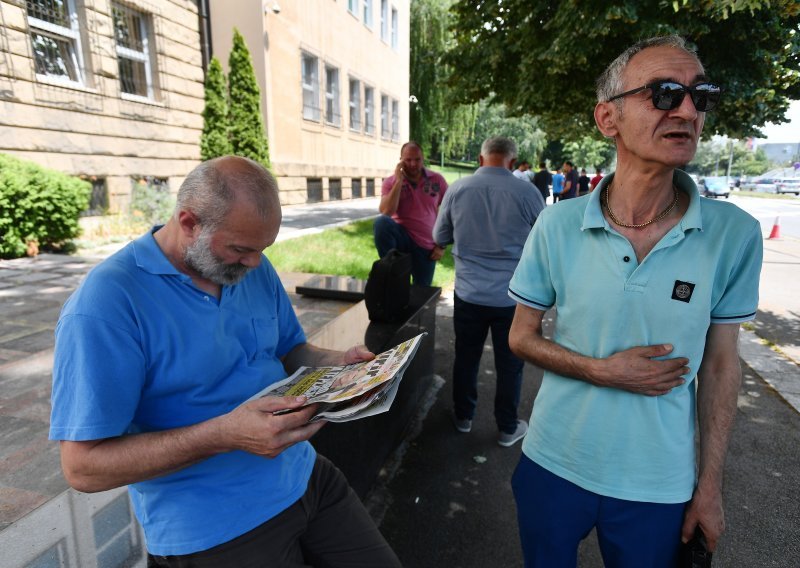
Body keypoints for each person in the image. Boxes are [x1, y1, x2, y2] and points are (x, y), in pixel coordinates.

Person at [50, 156, 402, 566]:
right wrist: (224, 435)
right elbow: (83, 468)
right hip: (212, 526)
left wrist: (342, 362)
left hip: (305, 476)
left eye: (262, 249)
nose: (254, 263)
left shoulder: (250, 267)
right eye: (240, 249)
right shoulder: (108, 303)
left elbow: (290, 350)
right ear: (188, 223)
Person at [507, 35, 762, 567]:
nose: (689, 110)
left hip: (659, 482)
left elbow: (720, 364)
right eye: (665, 93)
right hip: (554, 463)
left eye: (701, 95)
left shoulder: (734, 234)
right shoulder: (557, 223)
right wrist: (601, 371)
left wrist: (709, 486)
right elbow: (520, 337)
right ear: (608, 118)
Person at [433, 136, 545, 447]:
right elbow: (544, 241)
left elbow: (439, 235)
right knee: (511, 363)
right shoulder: (527, 192)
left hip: (469, 293)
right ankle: (508, 426)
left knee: (466, 357)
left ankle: (463, 416)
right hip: (512, 298)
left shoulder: (457, 190)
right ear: (512, 162)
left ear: (481, 160)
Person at [374, 141, 448, 286]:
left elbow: (450, 212)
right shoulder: (390, 182)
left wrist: (442, 246)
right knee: (381, 223)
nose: (413, 164)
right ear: (401, 160)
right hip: (401, 240)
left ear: (423, 158)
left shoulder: (437, 180)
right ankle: (389, 268)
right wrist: (398, 182)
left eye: (417, 159)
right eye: (408, 160)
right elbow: (386, 212)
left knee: (422, 293)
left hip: (426, 246)